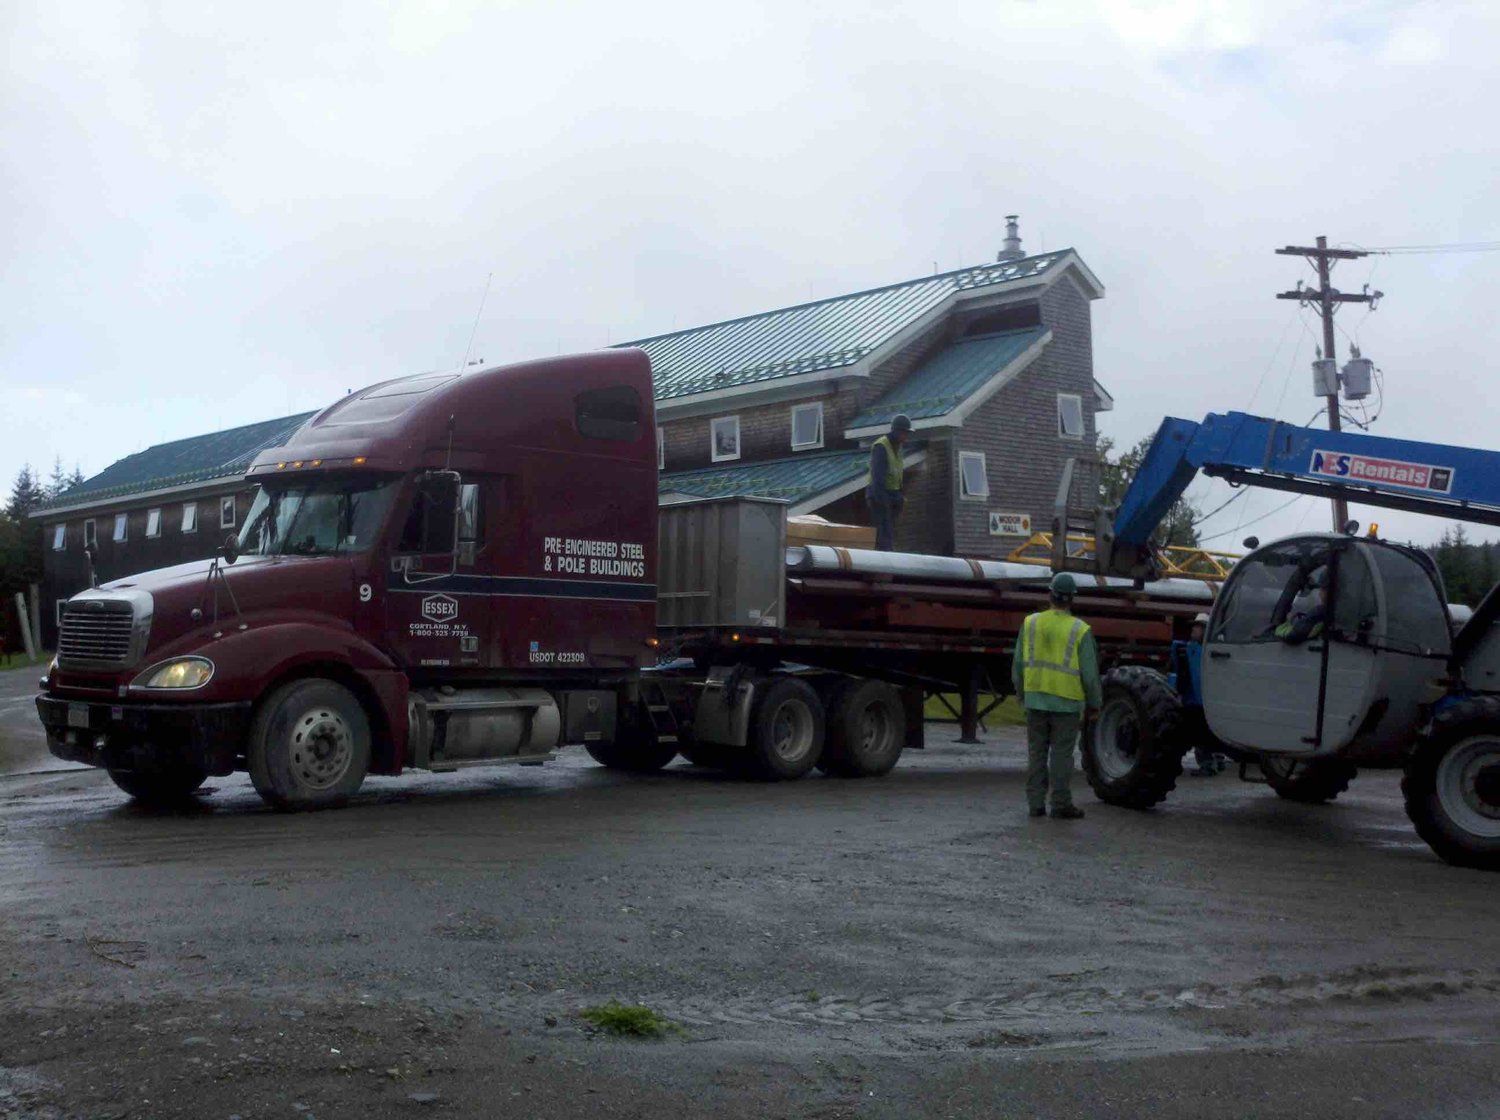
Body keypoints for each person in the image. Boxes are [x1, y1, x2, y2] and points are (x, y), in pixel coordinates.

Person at [1012, 572, 1102, 819]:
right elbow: (1090, 675)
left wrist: (1022, 694)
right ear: (1072, 599)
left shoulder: (1030, 623)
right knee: (1061, 756)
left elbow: (1018, 664)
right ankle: (1060, 804)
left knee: (1037, 753)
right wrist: (1095, 704)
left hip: (1036, 699)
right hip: (1066, 703)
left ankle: (1035, 804)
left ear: (1049, 594)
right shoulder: (1080, 630)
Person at [867, 414, 913, 552]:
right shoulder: (881, 446)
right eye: (905, 433)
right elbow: (878, 476)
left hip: (892, 493)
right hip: (879, 492)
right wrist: (882, 499)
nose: (906, 437)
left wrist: (899, 497)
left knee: (890, 527)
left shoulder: (898, 448)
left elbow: (897, 475)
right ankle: (884, 553)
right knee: (884, 526)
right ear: (897, 431)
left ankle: (888, 549)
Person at [1275, 566, 1328, 644]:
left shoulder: (1320, 613)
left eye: (1323, 589)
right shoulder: (1343, 614)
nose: (1319, 594)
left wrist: (1287, 623)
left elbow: (1291, 636)